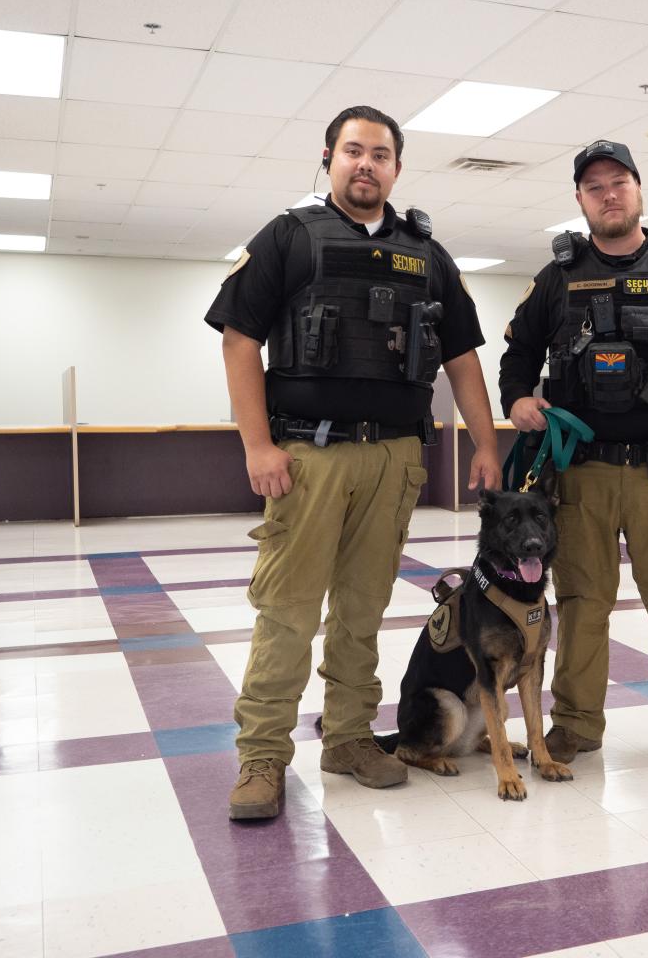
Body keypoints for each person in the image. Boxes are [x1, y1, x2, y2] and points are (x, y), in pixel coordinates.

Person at [206, 104, 501, 820]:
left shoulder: (428, 255)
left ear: (397, 168)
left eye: (380, 154)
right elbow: (239, 340)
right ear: (329, 158)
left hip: (395, 458)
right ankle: (264, 757)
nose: (365, 164)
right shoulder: (290, 237)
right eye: (352, 151)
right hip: (309, 454)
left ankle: (346, 738)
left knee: (362, 611)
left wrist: (487, 443)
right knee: (287, 613)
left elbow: (462, 359)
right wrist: (256, 444)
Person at [499, 140, 648, 772]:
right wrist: (518, 400)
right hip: (580, 471)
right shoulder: (557, 278)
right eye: (594, 186)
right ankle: (576, 724)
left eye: (619, 182)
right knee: (583, 604)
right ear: (579, 200)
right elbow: (517, 352)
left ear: (639, 189)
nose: (609, 194)